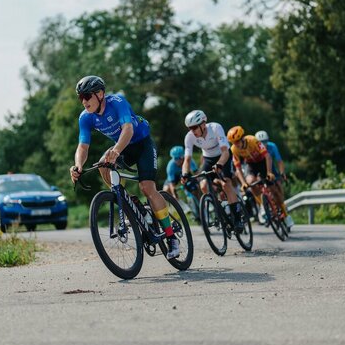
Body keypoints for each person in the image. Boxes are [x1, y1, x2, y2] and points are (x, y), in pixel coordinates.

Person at [69, 75, 180, 259]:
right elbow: (83, 146)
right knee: (103, 165)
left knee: (147, 187)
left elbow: (127, 129)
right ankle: (129, 202)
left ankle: (171, 236)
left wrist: (116, 151)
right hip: (123, 147)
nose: (84, 101)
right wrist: (78, 165)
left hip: (142, 143)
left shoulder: (117, 102)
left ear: (100, 94)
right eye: (80, 97)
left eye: (87, 96)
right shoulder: (86, 118)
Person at [181, 110, 245, 231]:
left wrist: (220, 164)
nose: (192, 131)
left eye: (194, 127)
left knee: (226, 183)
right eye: (189, 128)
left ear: (203, 124)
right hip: (208, 159)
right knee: (204, 185)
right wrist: (184, 174)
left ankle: (237, 218)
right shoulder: (189, 137)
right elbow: (187, 160)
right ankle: (218, 208)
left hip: (223, 156)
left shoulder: (216, 128)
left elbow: (226, 152)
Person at [229, 126, 293, 228]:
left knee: (274, 189)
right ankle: (263, 205)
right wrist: (243, 183)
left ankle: (285, 214)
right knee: (250, 182)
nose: (236, 144)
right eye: (233, 142)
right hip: (251, 165)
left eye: (237, 141)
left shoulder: (253, 141)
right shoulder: (234, 149)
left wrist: (269, 172)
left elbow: (267, 156)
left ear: (242, 138)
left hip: (263, 162)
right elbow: (238, 168)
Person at [254, 130, 293, 226]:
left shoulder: (272, 146)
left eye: (265, 142)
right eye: (261, 142)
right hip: (260, 170)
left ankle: (284, 209)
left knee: (278, 185)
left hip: (272, 170)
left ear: (268, 141)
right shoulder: (254, 149)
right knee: (256, 186)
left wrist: (282, 172)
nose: (263, 144)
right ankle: (263, 207)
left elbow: (279, 161)